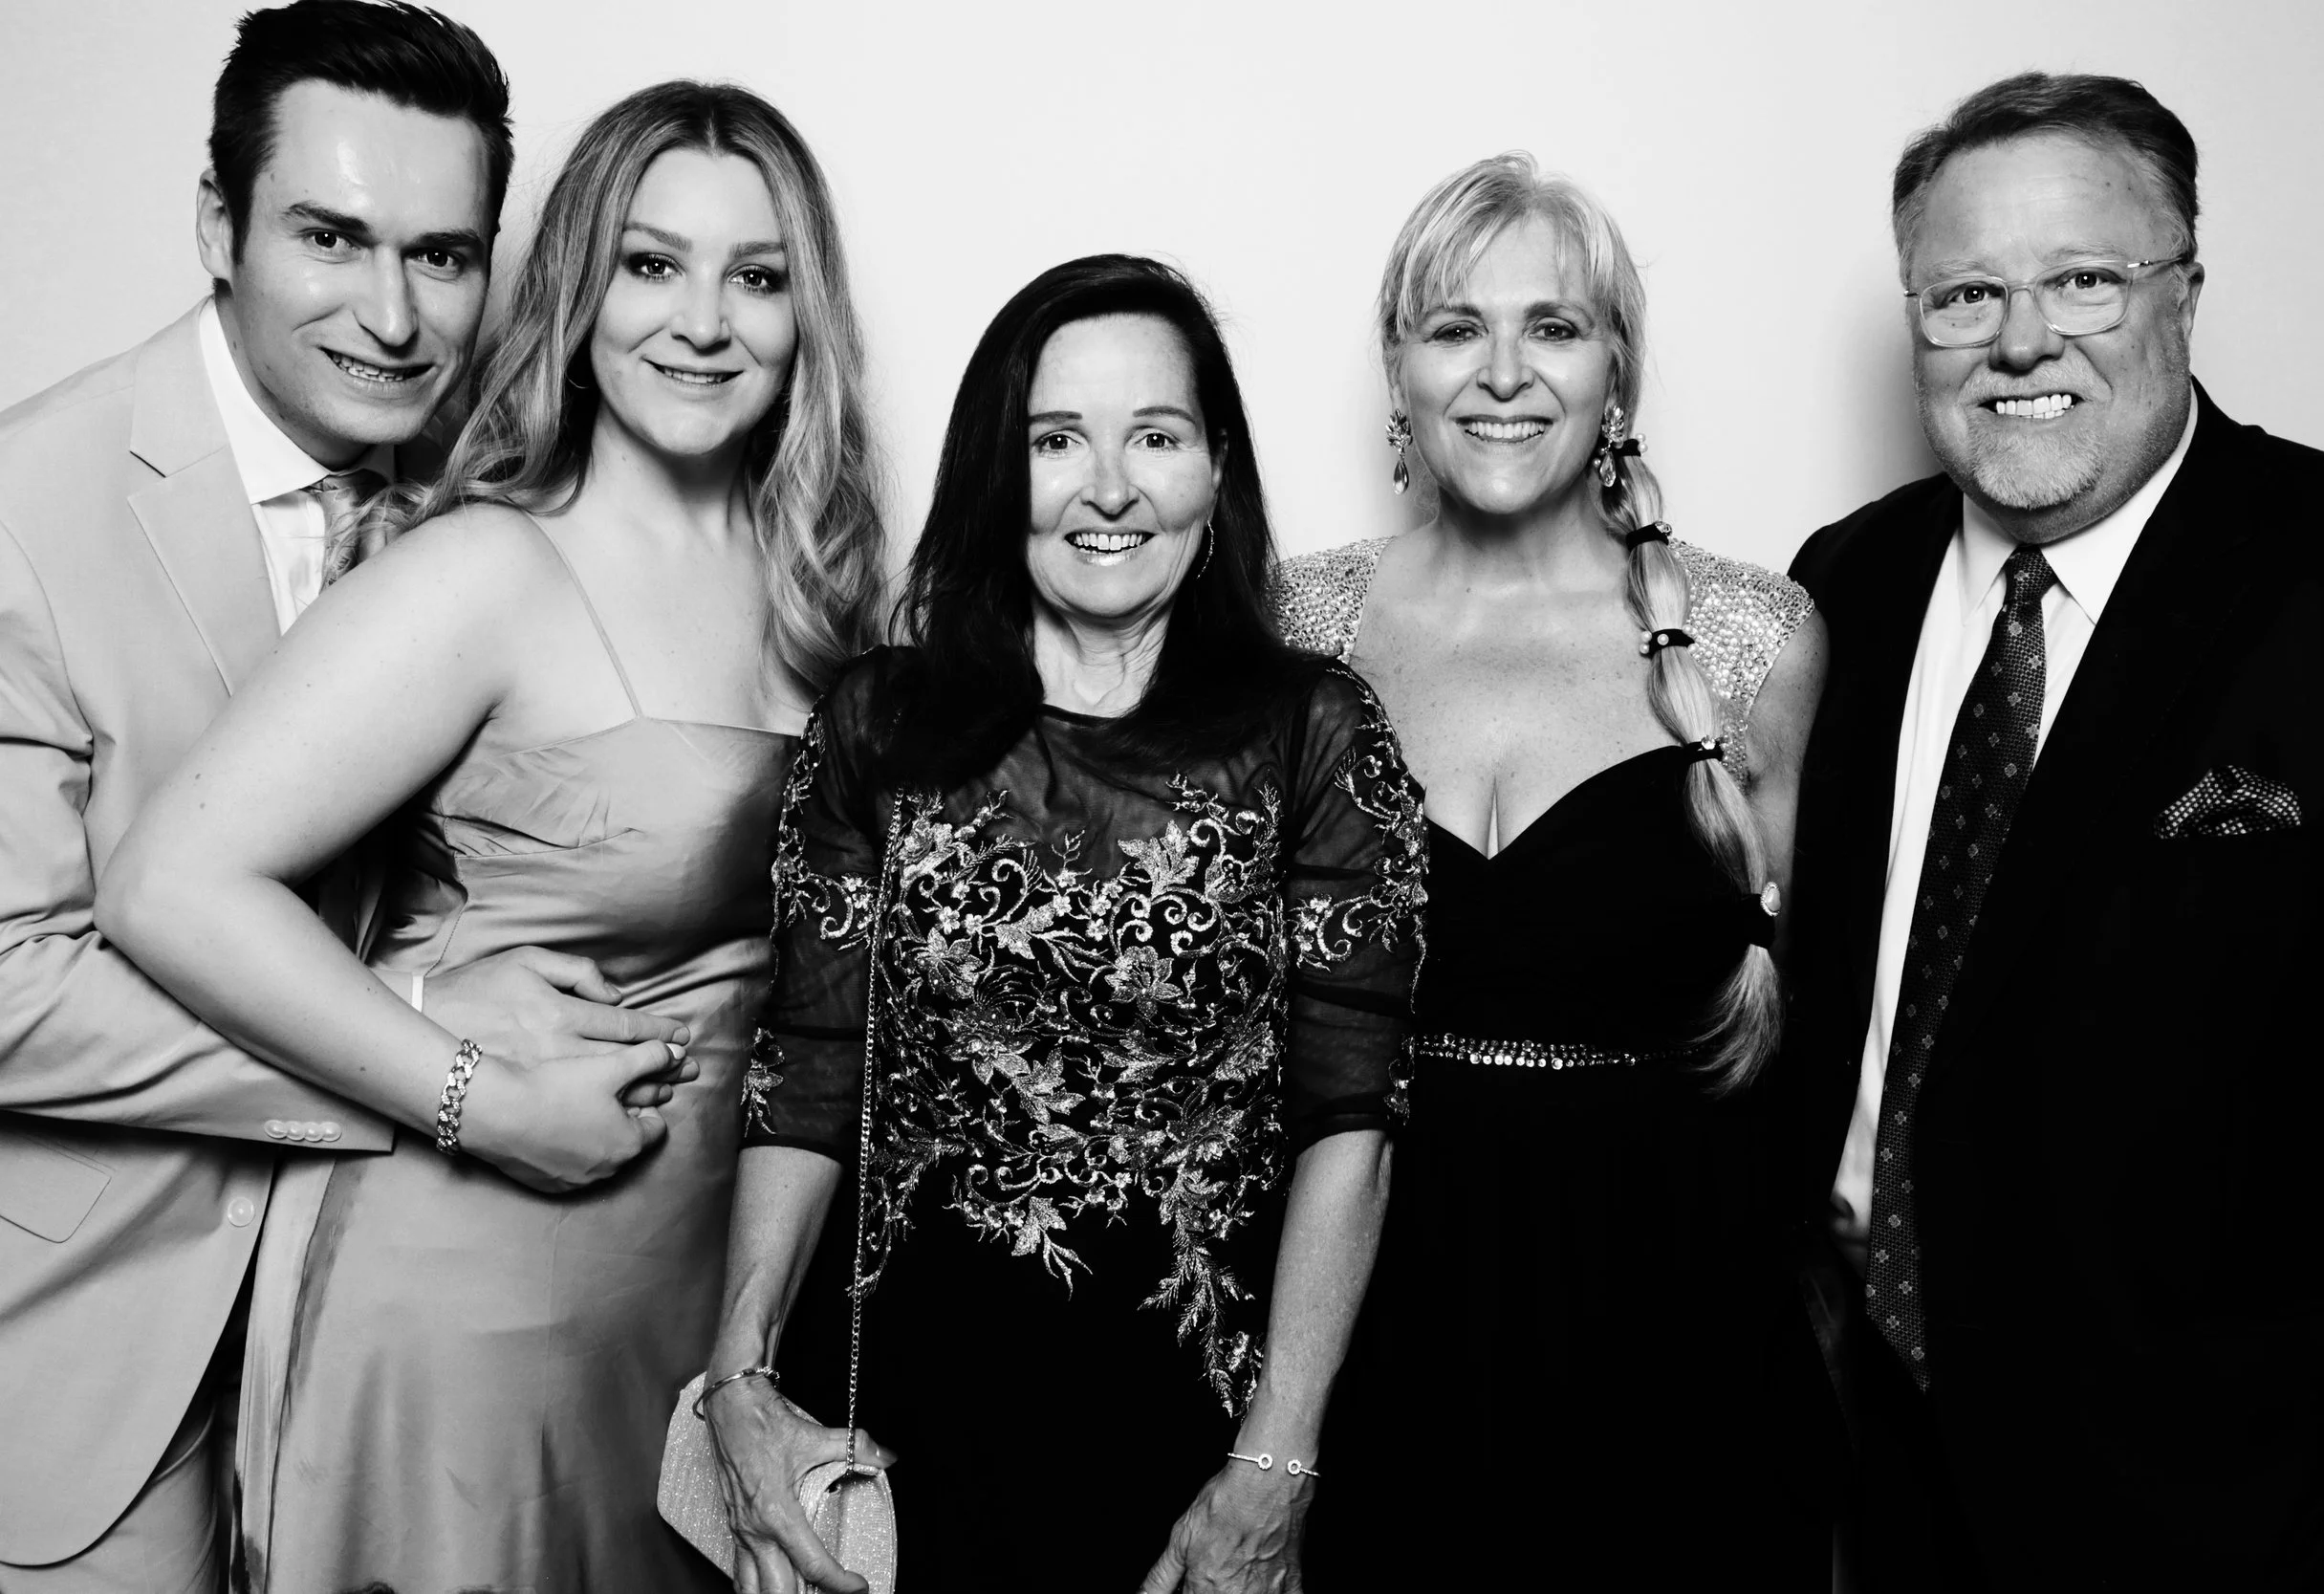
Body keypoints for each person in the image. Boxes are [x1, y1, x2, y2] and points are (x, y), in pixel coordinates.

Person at [96, 78, 886, 1593]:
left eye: (758, 276)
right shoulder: (486, 570)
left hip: (697, 1295)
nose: (702, 320)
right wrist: (470, 1093)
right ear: (580, 284)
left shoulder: (831, 598)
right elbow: (169, 882)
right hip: (477, 1280)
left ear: (808, 320)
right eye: (652, 264)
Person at [0, 7, 692, 1590]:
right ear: (217, 225)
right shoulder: (26, 515)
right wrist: (421, 1050)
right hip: (96, 1371)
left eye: (444, 257)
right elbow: (5, 981)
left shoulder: (503, 498)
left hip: (402, 1350)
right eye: (331, 237)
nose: (393, 315)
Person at [699, 254, 1425, 1593]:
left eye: (1155, 435)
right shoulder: (880, 723)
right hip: (891, 1427)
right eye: (1055, 440)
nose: (1108, 486)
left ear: (1216, 468)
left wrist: (1275, 1465)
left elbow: (1352, 1127)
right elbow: (803, 1072)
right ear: (995, 471)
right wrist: (738, 1378)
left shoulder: (1314, 734)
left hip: (1189, 1435)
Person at [1787, 71, 2324, 1591]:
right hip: (1885, 1460)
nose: (2022, 339)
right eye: (1965, 293)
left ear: (2186, 290)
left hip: (2243, 1495)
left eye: (2083, 280)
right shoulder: (1839, 590)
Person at [1272, 153, 1834, 1587]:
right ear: (1395, 373)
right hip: (1378, 1322)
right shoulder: (1296, 625)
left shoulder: (1758, 639)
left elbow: (1818, 1043)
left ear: (1617, 377)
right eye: (1454, 327)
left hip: (1680, 1341)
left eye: (1556, 327)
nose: (1503, 373)